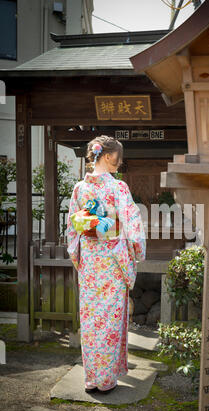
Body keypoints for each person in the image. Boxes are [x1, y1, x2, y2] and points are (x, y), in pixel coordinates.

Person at [66, 135, 146, 393]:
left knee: (91, 319)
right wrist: (136, 251)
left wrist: (78, 250)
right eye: (119, 158)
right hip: (112, 262)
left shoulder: (80, 188)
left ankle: (91, 378)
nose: (120, 163)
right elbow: (132, 227)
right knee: (109, 320)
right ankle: (106, 379)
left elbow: (72, 227)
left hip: (90, 261)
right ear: (110, 156)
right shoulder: (118, 188)